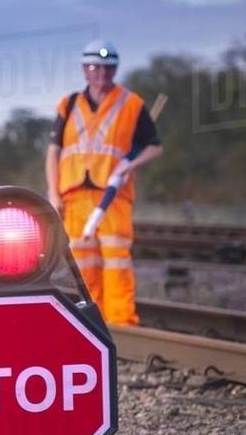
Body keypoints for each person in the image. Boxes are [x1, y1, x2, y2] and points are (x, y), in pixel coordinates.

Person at [46, 40, 162, 325]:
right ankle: (91, 322)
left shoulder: (131, 104)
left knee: (116, 261)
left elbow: (154, 146)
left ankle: (122, 323)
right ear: (85, 70)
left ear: (115, 69)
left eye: (108, 68)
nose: (102, 73)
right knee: (83, 265)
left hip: (113, 197)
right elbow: (54, 150)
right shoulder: (68, 104)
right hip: (74, 197)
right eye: (95, 67)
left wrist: (130, 166)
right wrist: (53, 192)